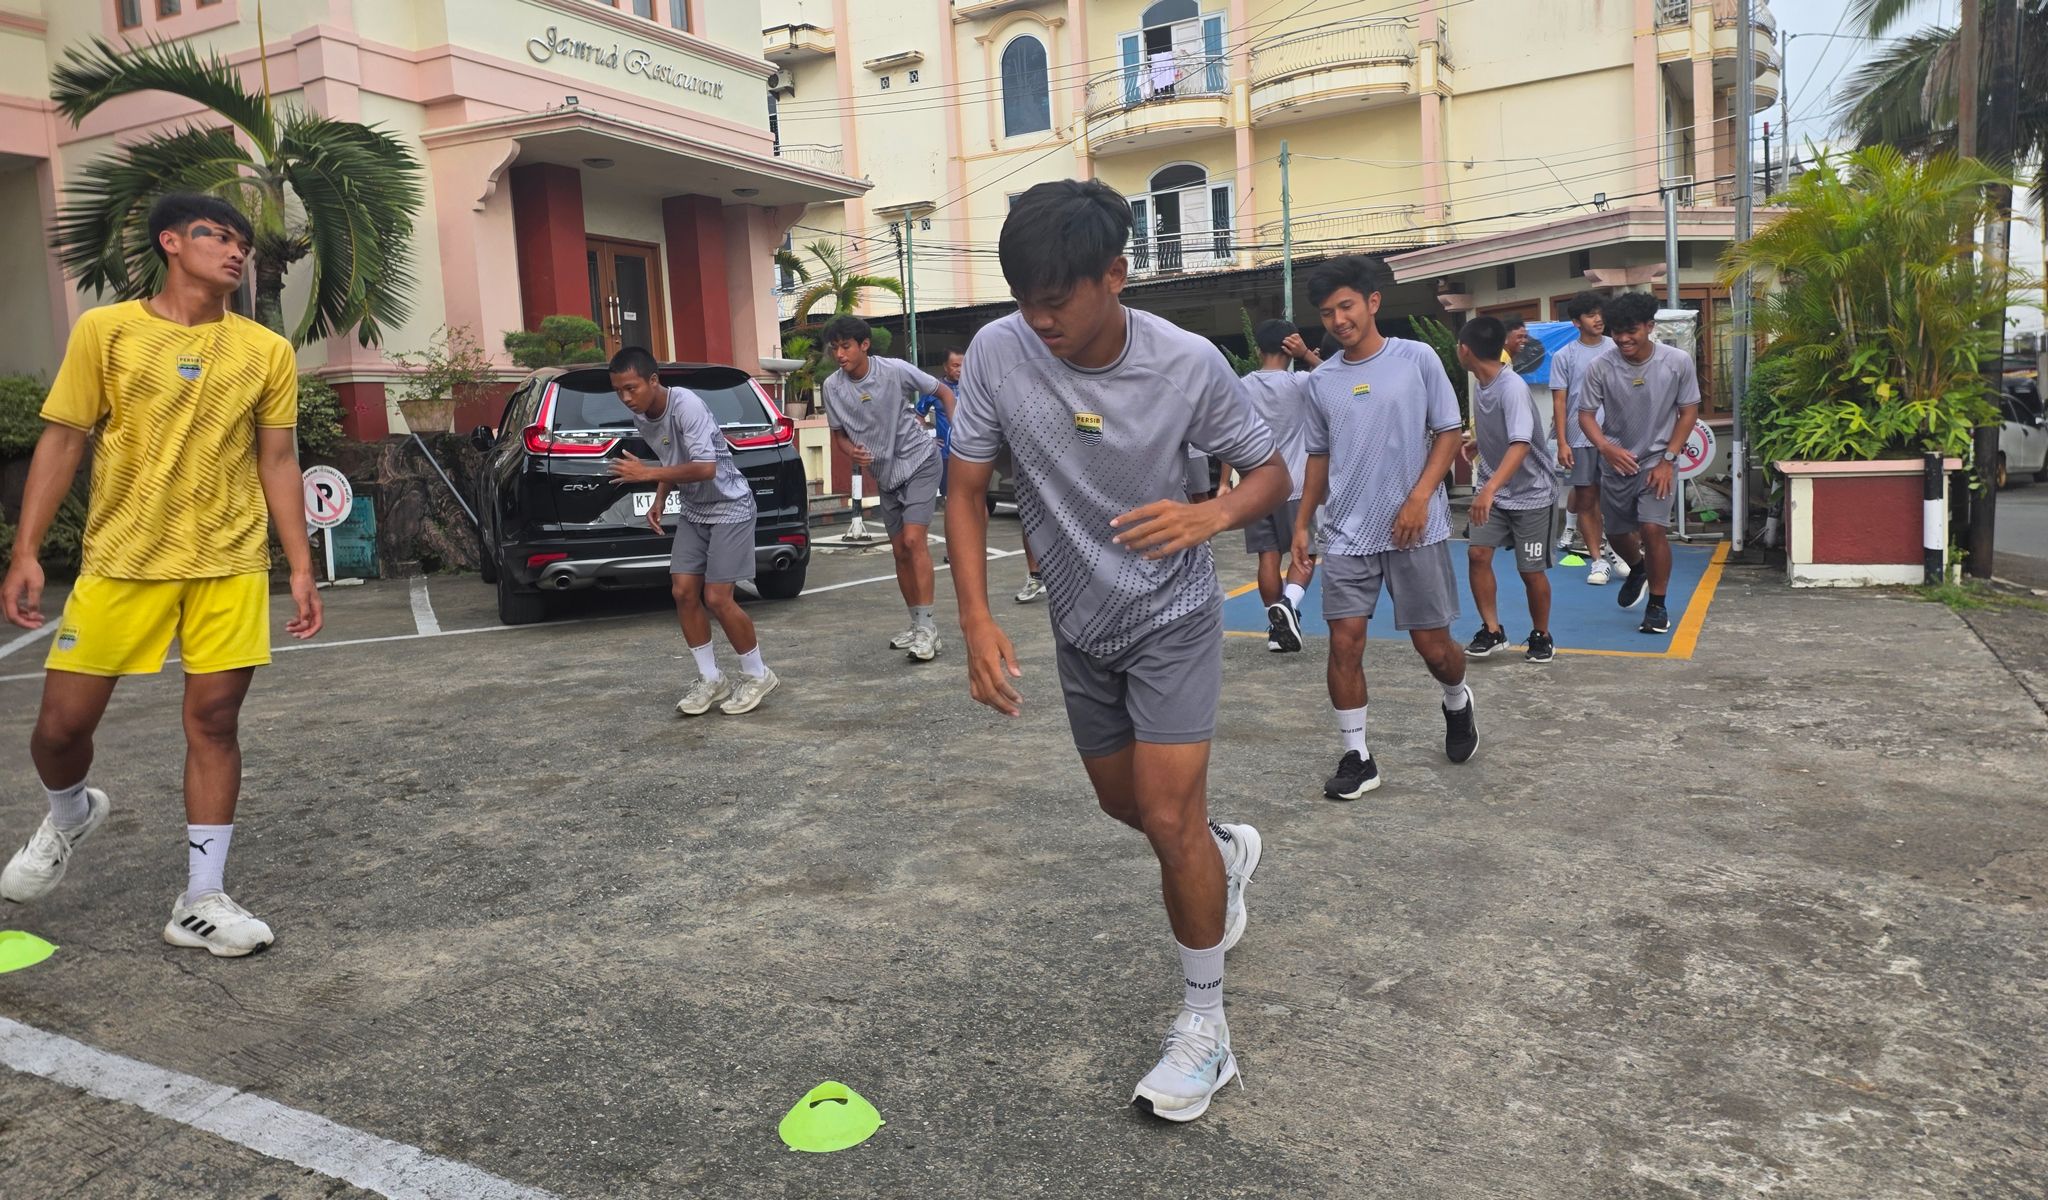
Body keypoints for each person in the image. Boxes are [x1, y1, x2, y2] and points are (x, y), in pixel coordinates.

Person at [944, 180, 1291, 1123]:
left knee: (1168, 817)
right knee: (1124, 805)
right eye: (1024, 299)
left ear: (1114, 276)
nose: (1039, 318)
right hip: (1079, 620)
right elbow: (966, 486)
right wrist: (976, 618)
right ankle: (1225, 854)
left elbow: (1269, 470)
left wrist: (1211, 512)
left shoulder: (1185, 364)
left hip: (1173, 615)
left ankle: (1204, 1029)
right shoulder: (997, 354)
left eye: (1058, 298)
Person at [0, 193, 323, 957]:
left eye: (244, 241)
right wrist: (26, 550)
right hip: (123, 560)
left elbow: (277, 459)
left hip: (229, 560)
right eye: (219, 236)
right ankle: (70, 810)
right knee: (61, 729)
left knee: (214, 722)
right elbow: (64, 439)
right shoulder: (107, 331)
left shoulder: (265, 350)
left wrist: (301, 563)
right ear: (170, 242)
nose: (237, 251)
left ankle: (201, 899)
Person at [1294, 255, 1478, 801]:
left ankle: (1457, 699)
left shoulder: (1416, 358)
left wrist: (1420, 498)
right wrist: (1302, 525)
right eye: (1327, 313)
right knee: (1344, 644)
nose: (1338, 320)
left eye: (1346, 306)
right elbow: (1319, 458)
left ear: (1372, 303)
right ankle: (1358, 756)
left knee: (1433, 646)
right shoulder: (1320, 381)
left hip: (1413, 530)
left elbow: (1447, 432)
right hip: (1346, 532)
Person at [608, 348, 777, 716]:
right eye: (619, 390)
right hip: (695, 509)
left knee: (718, 597)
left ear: (654, 381)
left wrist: (648, 474)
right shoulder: (642, 416)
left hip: (730, 505)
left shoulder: (687, 406)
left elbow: (704, 468)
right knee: (683, 591)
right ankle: (711, 678)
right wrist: (659, 497)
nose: (625, 398)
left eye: (631, 388)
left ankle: (757, 674)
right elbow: (674, 461)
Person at [820, 315, 956, 661]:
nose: (839, 354)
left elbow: (940, 391)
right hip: (885, 474)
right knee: (899, 552)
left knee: (913, 541)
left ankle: (928, 630)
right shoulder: (832, 388)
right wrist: (851, 451)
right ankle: (915, 623)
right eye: (834, 347)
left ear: (864, 345)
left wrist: (960, 430)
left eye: (846, 346)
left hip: (921, 461)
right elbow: (839, 435)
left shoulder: (894, 370)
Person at [1576, 291, 1701, 636]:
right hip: (1616, 461)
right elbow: (1585, 414)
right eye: (1616, 331)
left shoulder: (1677, 362)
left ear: (1649, 326)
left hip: (1658, 460)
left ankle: (1658, 606)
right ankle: (1638, 568)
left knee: (1652, 528)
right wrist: (1605, 448)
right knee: (1617, 533)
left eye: (1630, 330)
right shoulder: (1600, 367)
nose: (1622, 338)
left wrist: (1669, 459)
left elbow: (1688, 410)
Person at [1456, 318, 1557, 664]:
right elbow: (1503, 430)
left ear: (1464, 350)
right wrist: (1479, 442)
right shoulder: (1481, 383)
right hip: (1496, 489)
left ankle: (1542, 635)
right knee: (1477, 555)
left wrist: (1488, 490)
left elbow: (1521, 444)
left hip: (1531, 493)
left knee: (1530, 570)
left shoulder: (1511, 386)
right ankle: (1493, 630)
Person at [1231, 319, 1320, 652]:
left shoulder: (1240, 386)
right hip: (1295, 483)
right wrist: (1308, 356)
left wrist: (1230, 481)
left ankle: (1276, 628)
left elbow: (1230, 434)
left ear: (1257, 351)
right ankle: (1289, 604)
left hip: (1255, 484)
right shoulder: (1302, 382)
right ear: (1290, 348)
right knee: (1304, 552)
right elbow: (1339, 381)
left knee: (1267, 557)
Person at [1550, 291, 1629, 585]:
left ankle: (1621, 552)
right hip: (1579, 437)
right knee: (1586, 499)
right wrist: (1562, 442)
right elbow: (1560, 401)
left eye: (1600, 313)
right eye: (1590, 314)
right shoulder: (1564, 356)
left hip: (1618, 437)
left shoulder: (1617, 347)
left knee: (1619, 499)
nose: (1598, 319)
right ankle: (1597, 561)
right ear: (1575, 322)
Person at [916, 349, 959, 498]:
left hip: (971, 452)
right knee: (950, 497)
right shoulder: (935, 388)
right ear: (945, 367)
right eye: (955, 365)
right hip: (946, 454)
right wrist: (928, 439)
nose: (960, 369)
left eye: (963, 365)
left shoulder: (973, 387)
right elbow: (919, 415)